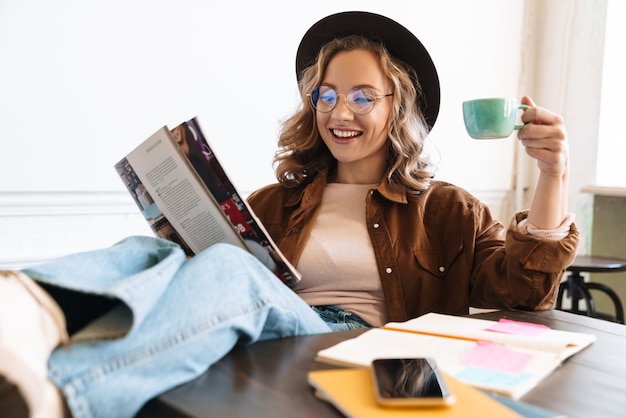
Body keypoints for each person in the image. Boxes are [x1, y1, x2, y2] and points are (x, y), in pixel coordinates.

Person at [0, 11, 578, 418]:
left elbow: (523, 293)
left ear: (397, 105)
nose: (338, 111)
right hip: (258, 337)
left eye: (360, 95)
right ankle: (22, 312)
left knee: (237, 272)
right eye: (326, 95)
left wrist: (552, 175)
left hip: (350, 348)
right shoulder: (276, 202)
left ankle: (65, 396)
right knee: (152, 251)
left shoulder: (448, 209)